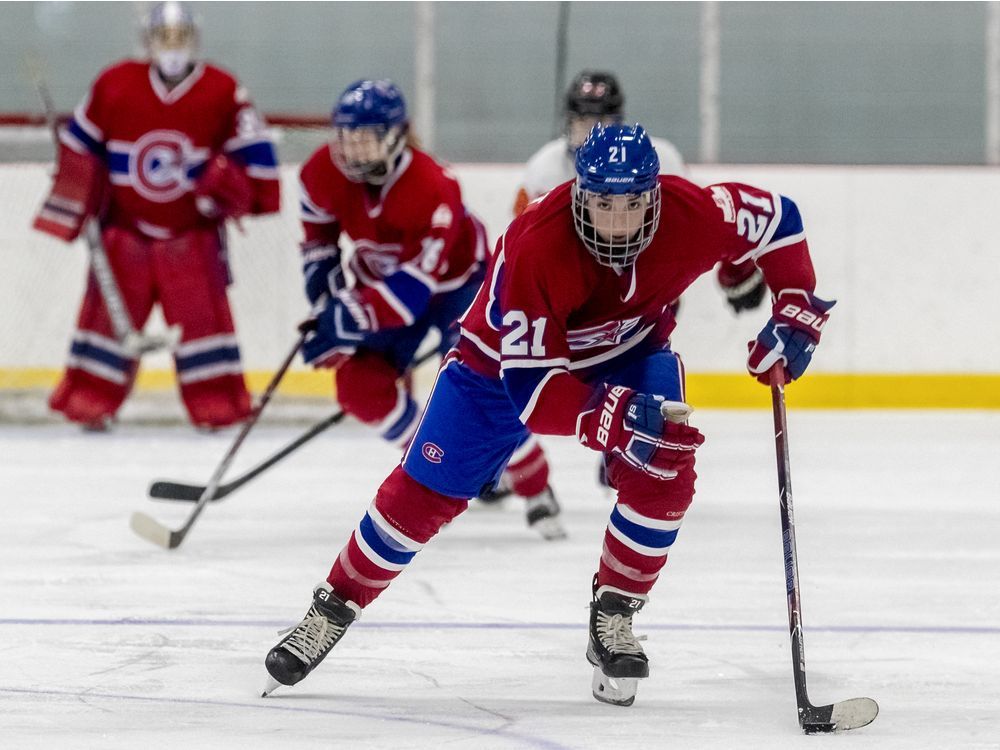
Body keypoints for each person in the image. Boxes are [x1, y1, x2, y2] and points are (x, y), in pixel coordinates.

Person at [261, 123, 834, 707]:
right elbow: (534, 391)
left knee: (665, 470)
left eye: (633, 204)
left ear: (655, 195)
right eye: (602, 203)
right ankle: (334, 606)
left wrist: (796, 306)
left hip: (632, 352)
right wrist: (604, 415)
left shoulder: (698, 211)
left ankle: (612, 615)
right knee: (423, 493)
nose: (617, 221)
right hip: (497, 371)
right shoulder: (537, 243)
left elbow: (778, 220)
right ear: (579, 192)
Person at [294, 79, 563, 540]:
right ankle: (442, 457)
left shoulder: (433, 187)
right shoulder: (320, 173)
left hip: (462, 288)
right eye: (347, 137)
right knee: (358, 386)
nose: (353, 150)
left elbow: (413, 293)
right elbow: (318, 243)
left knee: (480, 391)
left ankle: (535, 484)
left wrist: (348, 316)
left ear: (397, 135)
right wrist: (325, 301)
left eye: (367, 138)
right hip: (384, 289)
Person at [32, 1, 280, 430]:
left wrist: (224, 185)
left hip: (192, 235)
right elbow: (81, 149)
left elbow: (257, 164)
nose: (172, 47)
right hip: (125, 232)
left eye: (180, 38)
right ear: (147, 40)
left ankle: (218, 408)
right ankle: (90, 404)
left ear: (194, 40)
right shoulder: (113, 84)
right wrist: (77, 188)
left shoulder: (223, 90)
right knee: (105, 323)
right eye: (164, 38)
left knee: (204, 324)